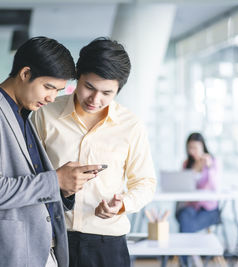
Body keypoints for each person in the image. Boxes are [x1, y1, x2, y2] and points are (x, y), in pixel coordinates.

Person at [0, 37, 102, 267]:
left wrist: (64, 188)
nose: (52, 98)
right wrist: (55, 181)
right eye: (48, 87)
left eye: (58, 90)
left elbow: (30, 186)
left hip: (38, 251)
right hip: (5, 254)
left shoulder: (22, 114)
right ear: (25, 74)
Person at [32, 37, 157, 267]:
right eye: (89, 87)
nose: (95, 99)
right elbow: (29, 175)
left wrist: (122, 205)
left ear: (118, 89)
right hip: (54, 238)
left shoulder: (131, 126)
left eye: (107, 93)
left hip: (107, 244)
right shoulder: (45, 114)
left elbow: (145, 182)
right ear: (77, 76)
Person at [176, 132, 221, 233]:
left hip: (209, 209)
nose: (192, 151)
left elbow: (215, 186)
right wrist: (193, 171)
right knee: (184, 216)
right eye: (190, 148)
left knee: (187, 224)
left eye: (195, 148)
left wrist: (209, 168)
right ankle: (188, 248)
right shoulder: (187, 164)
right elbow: (182, 185)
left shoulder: (213, 162)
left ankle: (184, 248)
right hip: (191, 206)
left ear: (202, 147)